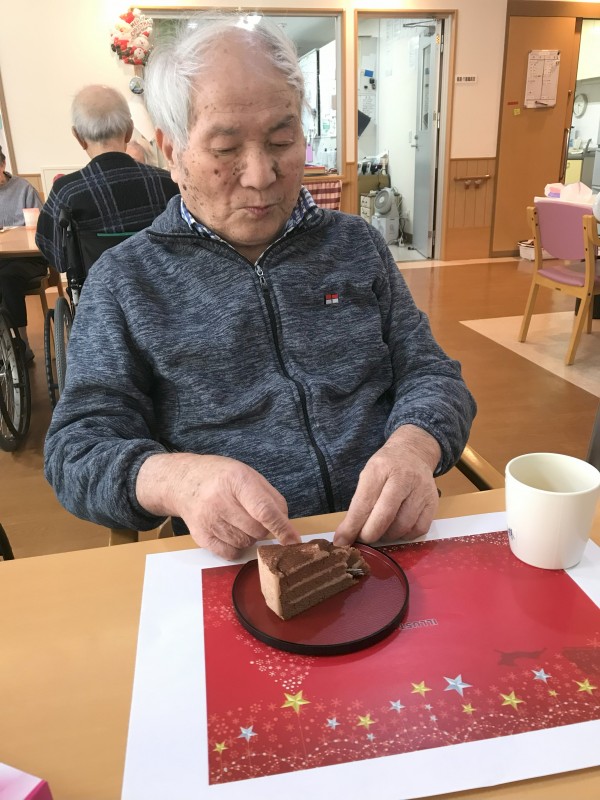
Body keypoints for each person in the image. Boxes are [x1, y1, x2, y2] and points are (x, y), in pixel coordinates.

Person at [44, 13, 476, 561]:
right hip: (241, 560)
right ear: (172, 151)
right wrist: (179, 481)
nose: (261, 175)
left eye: (281, 139)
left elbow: (432, 373)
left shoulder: (355, 245)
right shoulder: (127, 280)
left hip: (389, 538)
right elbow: (77, 449)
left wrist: (415, 446)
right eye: (226, 149)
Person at [35, 84, 179, 274]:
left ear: (78, 137)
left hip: (97, 290)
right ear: (129, 131)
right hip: (165, 287)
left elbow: (57, 257)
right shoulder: (168, 182)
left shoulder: (66, 192)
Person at [0, 145, 47, 361]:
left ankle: (21, 342)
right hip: (3, 258)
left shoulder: (24, 189)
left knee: (6, 278)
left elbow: (43, 227)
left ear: (3, 165)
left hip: (28, 258)